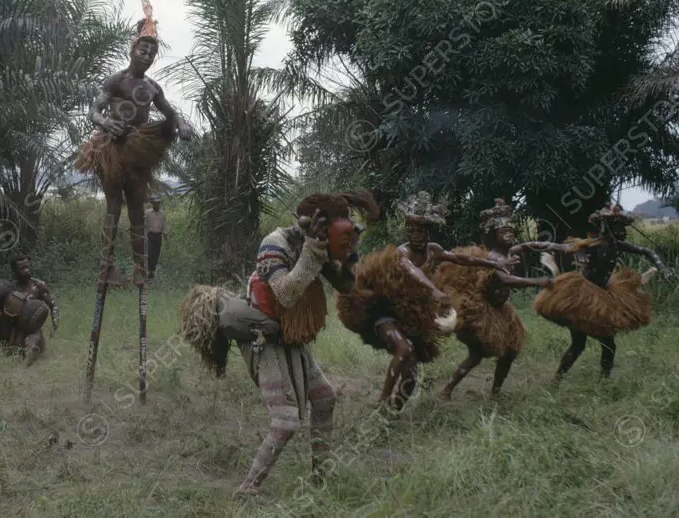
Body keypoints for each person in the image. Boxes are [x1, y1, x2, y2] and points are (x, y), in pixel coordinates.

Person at [181, 190, 380, 499]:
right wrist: (313, 253)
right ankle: (246, 491)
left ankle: (321, 476)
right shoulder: (275, 244)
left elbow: (346, 285)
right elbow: (286, 294)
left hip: (289, 333)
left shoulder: (317, 245)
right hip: (263, 335)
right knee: (286, 421)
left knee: (325, 398)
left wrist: (349, 254)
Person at [338, 191, 514, 410]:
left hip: (413, 316)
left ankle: (391, 412)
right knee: (404, 349)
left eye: (421, 231)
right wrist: (435, 292)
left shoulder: (434, 250)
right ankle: (382, 400)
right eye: (411, 230)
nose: (416, 235)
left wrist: (492, 264)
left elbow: (460, 258)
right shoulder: (403, 252)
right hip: (387, 311)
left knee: (411, 374)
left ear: (428, 232)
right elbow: (413, 272)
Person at [75, 0, 193, 288]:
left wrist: (181, 125)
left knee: (138, 210)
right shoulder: (116, 80)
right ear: (133, 49)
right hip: (113, 149)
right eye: (144, 50)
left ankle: (140, 268)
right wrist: (105, 123)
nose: (148, 56)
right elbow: (94, 110)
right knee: (113, 207)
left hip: (137, 154)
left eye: (153, 53)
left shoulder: (153, 88)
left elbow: (169, 112)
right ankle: (107, 267)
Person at [530, 203, 668, 381]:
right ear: (606, 227)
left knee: (592, 344)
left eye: (622, 227)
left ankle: (596, 380)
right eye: (616, 227)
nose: (621, 232)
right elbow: (562, 248)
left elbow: (646, 250)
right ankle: (567, 380)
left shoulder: (619, 245)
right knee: (587, 344)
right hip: (582, 297)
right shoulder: (594, 245)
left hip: (604, 293)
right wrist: (536, 245)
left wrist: (662, 268)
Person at [432, 199, 554, 399]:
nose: (508, 233)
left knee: (508, 353)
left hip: (500, 310)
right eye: (502, 231)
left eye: (510, 230)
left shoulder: (510, 252)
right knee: (477, 355)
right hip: (481, 312)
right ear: (492, 235)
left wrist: (556, 246)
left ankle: (494, 392)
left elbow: (529, 245)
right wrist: (537, 281)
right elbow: (506, 280)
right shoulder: (493, 257)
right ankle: (448, 390)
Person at [0, 255, 60, 366]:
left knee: (34, 328)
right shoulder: (9, 289)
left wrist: (54, 323)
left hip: (32, 331)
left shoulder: (38, 286)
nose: (26, 271)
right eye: (22, 268)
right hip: (13, 332)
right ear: (14, 271)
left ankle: (30, 352)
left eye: (27, 267)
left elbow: (53, 306)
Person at [144, 195, 168, 282]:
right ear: (152, 203)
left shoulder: (162, 214)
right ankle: (146, 274)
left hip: (158, 237)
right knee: (149, 254)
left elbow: (164, 228)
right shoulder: (147, 213)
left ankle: (151, 275)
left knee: (155, 257)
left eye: (158, 203)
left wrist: (167, 241)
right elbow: (143, 224)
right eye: (155, 203)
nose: (157, 204)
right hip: (149, 236)